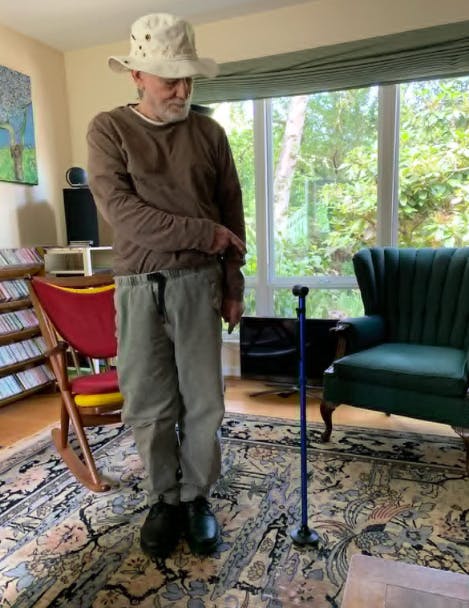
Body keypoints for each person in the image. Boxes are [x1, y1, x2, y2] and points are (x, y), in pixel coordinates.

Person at [86, 12, 246, 559]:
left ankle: (197, 497)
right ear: (137, 75)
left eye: (188, 79)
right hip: (136, 286)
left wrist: (233, 283)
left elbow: (232, 213)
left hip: (200, 283)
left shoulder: (210, 134)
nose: (181, 90)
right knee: (148, 403)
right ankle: (164, 500)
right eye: (169, 79)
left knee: (204, 402)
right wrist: (207, 234)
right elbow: (124, 215)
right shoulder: (108, 129)